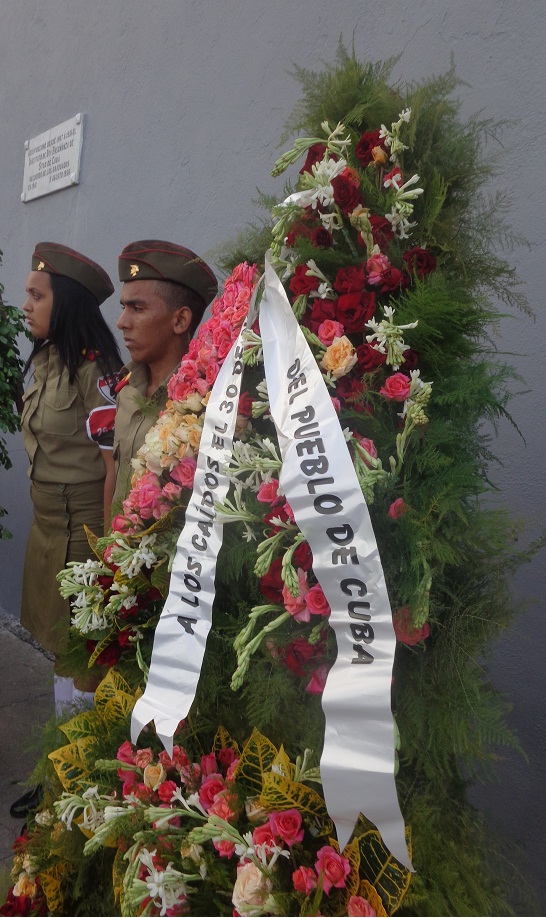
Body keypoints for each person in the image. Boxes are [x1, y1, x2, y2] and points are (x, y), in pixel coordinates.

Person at [19, 243, 122, 716]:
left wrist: (109, 550)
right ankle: (62, 743)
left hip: (82, 529)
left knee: (85, 648)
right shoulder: (49, 361)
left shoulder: (93, 369)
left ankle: (82, 744)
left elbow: (113, 463)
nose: (26, 305)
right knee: (60, 644)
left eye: (37, 296)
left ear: (66, 303)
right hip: (46, 525)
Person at [107, 240, 218, 511]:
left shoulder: (205, 404)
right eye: (123, 307)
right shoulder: (128, 389)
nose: (121, 322)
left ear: (179, 321)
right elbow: (114, 477)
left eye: (137, 308)